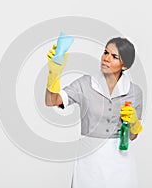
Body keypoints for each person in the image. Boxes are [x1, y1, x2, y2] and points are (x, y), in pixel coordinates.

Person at [45, 37, 143, 188]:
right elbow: (52, 101)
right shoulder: (85, 84)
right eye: (105, 52)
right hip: (89, 163)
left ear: (124, 66)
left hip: (120, 163)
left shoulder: (134, 92)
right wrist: (53, 74)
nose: (106, 58)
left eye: (114, 56)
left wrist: (134, 123)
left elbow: (133, 136)